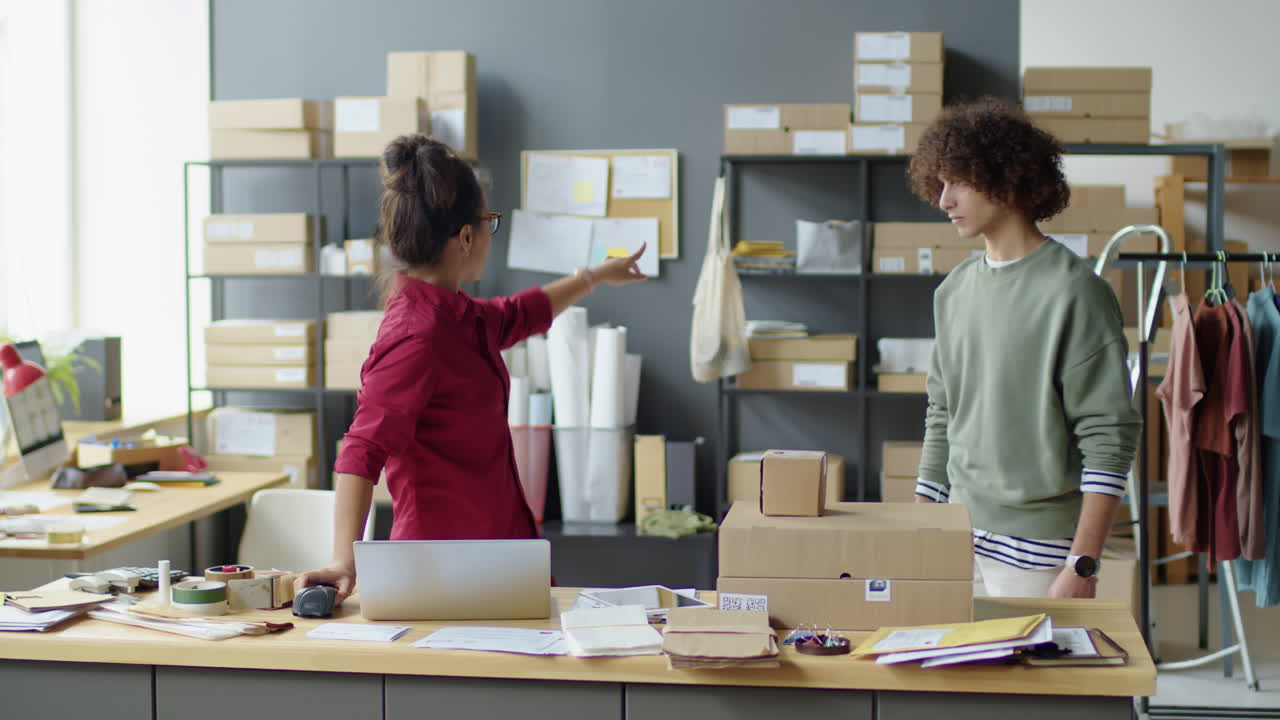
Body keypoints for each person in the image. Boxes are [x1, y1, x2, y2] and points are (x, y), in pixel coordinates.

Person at [296, 135, 646, 602]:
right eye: (489, 223)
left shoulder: (457, 315)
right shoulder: (416, 334)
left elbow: (518, 313)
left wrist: (594, 276)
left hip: (496, 556)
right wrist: (344, 561)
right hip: (443, 570)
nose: (488, 235)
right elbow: (362, 449)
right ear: (465, 236)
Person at [906, 98, 1141, 599]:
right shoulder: (953, 291)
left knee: (1024, 679)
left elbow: (1109, 437)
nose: (944, 200)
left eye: (959, 182)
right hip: (958, 535)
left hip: (1039, 551)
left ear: (1007, 178)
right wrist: (924, 531)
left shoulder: (1075, 291)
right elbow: (942, 413)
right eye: (939, 183)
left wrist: (1082, 566)